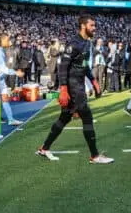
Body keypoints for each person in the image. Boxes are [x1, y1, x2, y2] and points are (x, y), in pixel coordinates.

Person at [36, 15, 113, 164]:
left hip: (78, 84)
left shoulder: (87, 43)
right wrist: (64, 89)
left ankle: (44, 148)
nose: (94, 28)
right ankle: (95, 156)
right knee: (87, 117)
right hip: (73, 86)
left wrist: (93, 81)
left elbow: (84, 66)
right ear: (83, 26)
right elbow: (63, 66)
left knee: (64, 118)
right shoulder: (74, 43)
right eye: (92, 25)